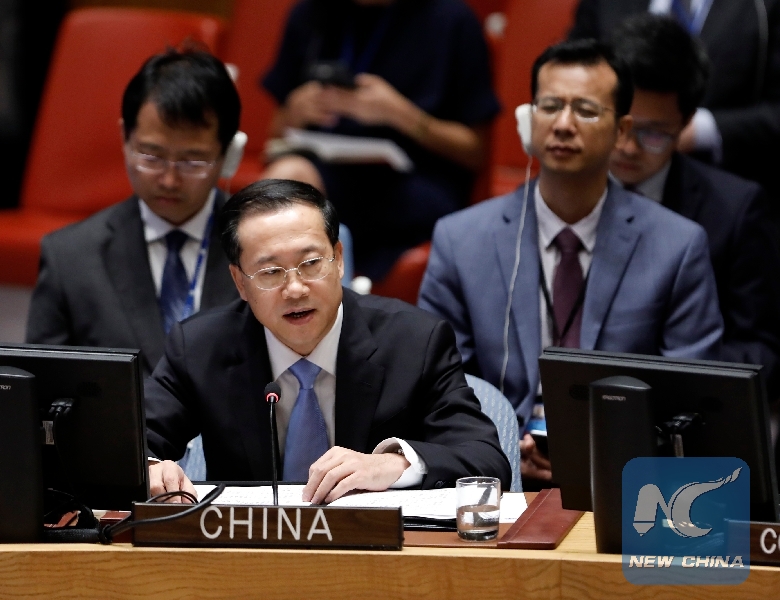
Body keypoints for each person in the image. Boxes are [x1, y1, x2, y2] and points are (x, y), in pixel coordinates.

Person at [417, 39, 723, 484]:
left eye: (585, 110)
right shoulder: (461, 239)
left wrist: (594, 456)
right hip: (496, 470)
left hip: (626, 478)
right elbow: (441, 387)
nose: (563, 124)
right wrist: (501, 448)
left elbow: (692, 401)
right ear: (529, 120)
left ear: (621, 130)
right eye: (550, 106)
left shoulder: (676, 246)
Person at [146, 179, 511, 504]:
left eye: (311, 264)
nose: (295, 289)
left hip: (376, 550)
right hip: (247, 549)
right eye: (270, 272)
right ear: (241, 283)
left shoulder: (414, 341)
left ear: (338, 260)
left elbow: (485, 460)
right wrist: (149, 469)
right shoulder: (200, 347)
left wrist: (394, 464)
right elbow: (135, 443)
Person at [26, 49, 241, 377]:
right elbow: (42, 385)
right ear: (125, 138)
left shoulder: (264, 247)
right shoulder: (69, 258)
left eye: (192, 161)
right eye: (151, 156)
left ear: (228, 154)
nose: (169, 180)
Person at [260, 0, 499, 280]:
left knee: (295, 190)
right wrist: (294, 112)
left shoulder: (452, 19)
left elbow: (476, 152)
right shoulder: (311, 13)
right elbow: (273, 137)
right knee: (283, 182)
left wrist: (402, 115)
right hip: (326, 171)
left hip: (415, 182)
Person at [609, 14, 780, 397]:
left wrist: (674, 374)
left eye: (653, 134)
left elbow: (762, 350)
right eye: (620, 125)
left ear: (685, 122)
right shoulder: (565, 190)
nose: (628, 148)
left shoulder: (736, 210)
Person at [569, 0, 780, 204]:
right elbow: (572, 71)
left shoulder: (762, 8)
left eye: (653, 132)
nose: (629, 148)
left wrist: (694, 129)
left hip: (715, 182)